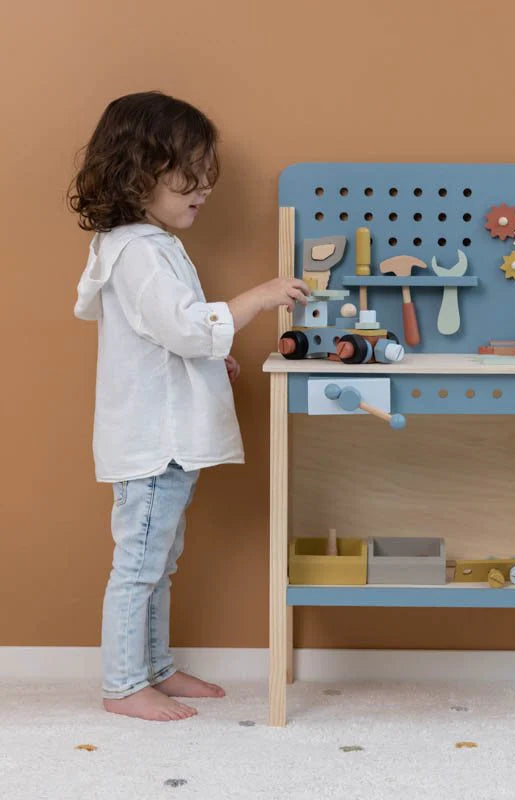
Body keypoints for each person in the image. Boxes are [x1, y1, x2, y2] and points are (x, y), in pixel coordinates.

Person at [69, 91, 309, 721]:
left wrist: (209, 355)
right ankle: (124, 684)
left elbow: (165, 336)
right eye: (188, 174)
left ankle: (152, 668)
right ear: (137, 171)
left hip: (163, 437)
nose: (204, 186)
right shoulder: (140, 251)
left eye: (206, 173)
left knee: (160, 561)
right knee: (141, 565)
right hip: (155, 441)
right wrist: (256, 298)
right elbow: (180, 325)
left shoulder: (145, 244)